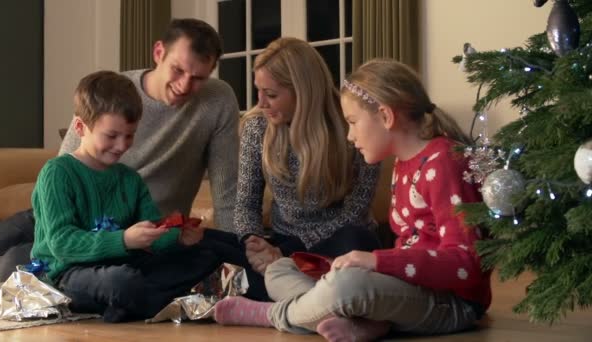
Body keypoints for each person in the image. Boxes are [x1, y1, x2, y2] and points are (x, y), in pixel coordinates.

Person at [213, 59, 492, 341]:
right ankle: (362, 321)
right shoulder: (404, 163)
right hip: (407, 290)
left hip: (450, 303)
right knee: (280, 269)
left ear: (385, 116)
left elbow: (466, 263)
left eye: (353, 122)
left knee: (347, 285)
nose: (349, 136)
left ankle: (274, 315)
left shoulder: (443, 161)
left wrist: (376, 262)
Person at [0, 18, 239, 282]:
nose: (184, 85)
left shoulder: (218, 101)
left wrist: (239, 252)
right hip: (71, 218)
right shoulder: (115, 92)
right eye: (177, 70)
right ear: (159, 53)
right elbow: (65, 170)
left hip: (137, 227)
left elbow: (228, 191)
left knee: (11, 266)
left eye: (198, 78)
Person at [196, 37, 382, 301]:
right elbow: (246, 205)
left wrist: (285, 254)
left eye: (271, 94)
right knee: (201, 243)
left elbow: (356, 211)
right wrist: (253, 243)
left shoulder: (351, 123)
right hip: (281, 244)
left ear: (303, 91)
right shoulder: (256, 127)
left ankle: (276, 293)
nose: (261, 103)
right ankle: (306, 295)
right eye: (258, 91)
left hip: (336, 243)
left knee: (357, 242)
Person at [30, 70, 220, 323]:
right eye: (111, 136)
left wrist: (176, 237)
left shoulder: (130, 179)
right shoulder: (57, 173)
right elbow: (62, 244)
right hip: (67, 273)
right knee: (121, 283)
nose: (121, 146)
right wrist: (124, 239)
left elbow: (152, 234)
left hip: (125, 264)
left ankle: (133, 305)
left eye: (129, 135)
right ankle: (157, 301)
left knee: (205, 258)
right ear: (80, 127)